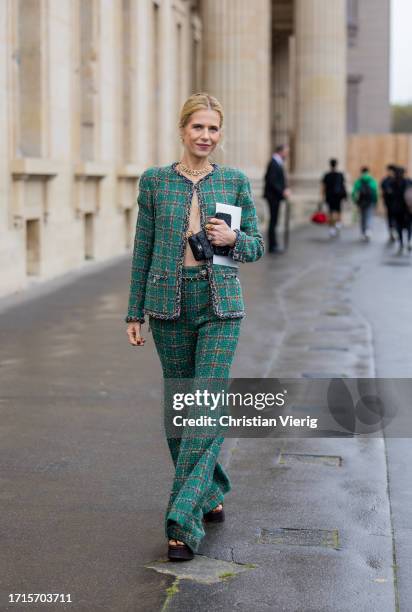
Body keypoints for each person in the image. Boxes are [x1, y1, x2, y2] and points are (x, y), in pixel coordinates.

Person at [125, 93, 264, 562]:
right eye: (198, 128)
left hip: (220, 305)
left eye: (214, 129)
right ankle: (210, 490)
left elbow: (257, 247)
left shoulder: (235, 181)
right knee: (180, 410)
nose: (206, 136)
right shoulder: (155, 182)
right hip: (168, 305)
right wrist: (133, 311)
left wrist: (235, 239)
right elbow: (142, 248)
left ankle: (181, 523)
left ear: (220, 135)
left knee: (203, 405)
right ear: (182, 130)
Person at [263, 144, 291, 253]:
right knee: (273, 221)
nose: (287, 154)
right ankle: (272, 246)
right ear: (281, 151)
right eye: (286, 151)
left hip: (275, 197)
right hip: (273, 197)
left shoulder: (277, 163)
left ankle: (274, 244)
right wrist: (283, 191)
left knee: (274, 221)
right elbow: (272, 181)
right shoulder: (274, 163)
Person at [321, 158, 347, 237]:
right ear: (336, 165)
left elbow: (323, 187)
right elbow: (343, 186)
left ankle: (332, 228)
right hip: (338, 196)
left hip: (329, 196)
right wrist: (345, 195)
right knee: (338, 211)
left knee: (331, 212)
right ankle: (338, 223)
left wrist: (322, 196)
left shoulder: (327, 175)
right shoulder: (340, 175)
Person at [351, 166, 378, 241]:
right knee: (369, 215)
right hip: (370, 201)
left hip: (361, 201)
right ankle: (368, 230)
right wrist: (375, 201)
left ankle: (363, 232)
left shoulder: (359, 180)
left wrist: (355, 200)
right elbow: (375, 192)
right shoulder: (372, 180)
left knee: (362, 216)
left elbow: (354, 192)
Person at [391, 166, 412, 254]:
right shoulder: (408, 182)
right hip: (406, 208)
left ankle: (402, 243)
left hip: (399, 208)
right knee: (408, 225)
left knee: (400, 226)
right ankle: (407, 241)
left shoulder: (393, 182)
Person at [381, 164, 397, 243]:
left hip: (397, 203)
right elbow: (383, 189)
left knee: (395, 217)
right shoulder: (385, 180)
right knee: (390, 216)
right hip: (389, 202)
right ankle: (391, 231)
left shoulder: (397, 180)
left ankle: (394, 230)